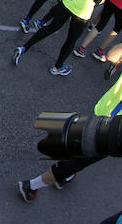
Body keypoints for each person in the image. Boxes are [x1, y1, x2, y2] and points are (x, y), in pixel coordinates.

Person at [17, 44, 122, 202]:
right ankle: (31, 186)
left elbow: (113, 56)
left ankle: (66, 172)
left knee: (83, 147)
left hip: (104, 113)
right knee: (77, 160)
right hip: (113, 131)